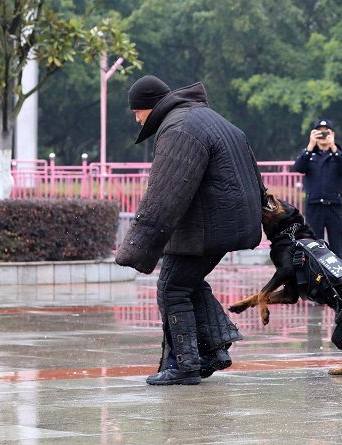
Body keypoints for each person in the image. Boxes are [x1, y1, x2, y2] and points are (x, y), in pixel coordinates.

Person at [116, 75, 265, 385]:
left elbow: (165, 194)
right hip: (229, 220)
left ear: (148, 106)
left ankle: (186, 366)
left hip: (211, 224)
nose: (136, 119)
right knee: (187, 283)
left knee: (171, 288)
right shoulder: (203, 118)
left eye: (136, 112)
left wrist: (135, 247)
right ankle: (212, 351)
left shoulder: (179, 128)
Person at [291, 119, 342, 261]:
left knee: (337, 244)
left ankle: (340, 277)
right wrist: (310, 145)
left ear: (333, 134)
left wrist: (333, 147)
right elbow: (298, 167)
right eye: (319, 132)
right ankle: (315, 275)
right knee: (313, 245)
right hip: (314, 206)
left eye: (326, 132)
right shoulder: (309, 153)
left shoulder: (340, 152)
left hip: (334, 206)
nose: (323, 135)